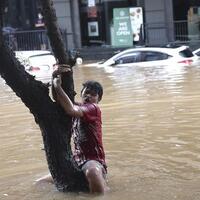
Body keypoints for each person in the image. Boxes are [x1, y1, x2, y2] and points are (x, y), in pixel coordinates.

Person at [36, 66, 108, 194]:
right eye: (86, 93)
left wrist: (58, 86)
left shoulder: (93, 108)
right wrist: (54, 78)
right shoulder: (78, 107)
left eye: (93, 95)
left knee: (92, 171)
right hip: (76, 160)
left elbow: (70, 110)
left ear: (98, 99)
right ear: (81, 95)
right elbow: (59, 100)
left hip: (93, 160)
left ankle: (102, 195)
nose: (88, 96)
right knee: (41, 182)